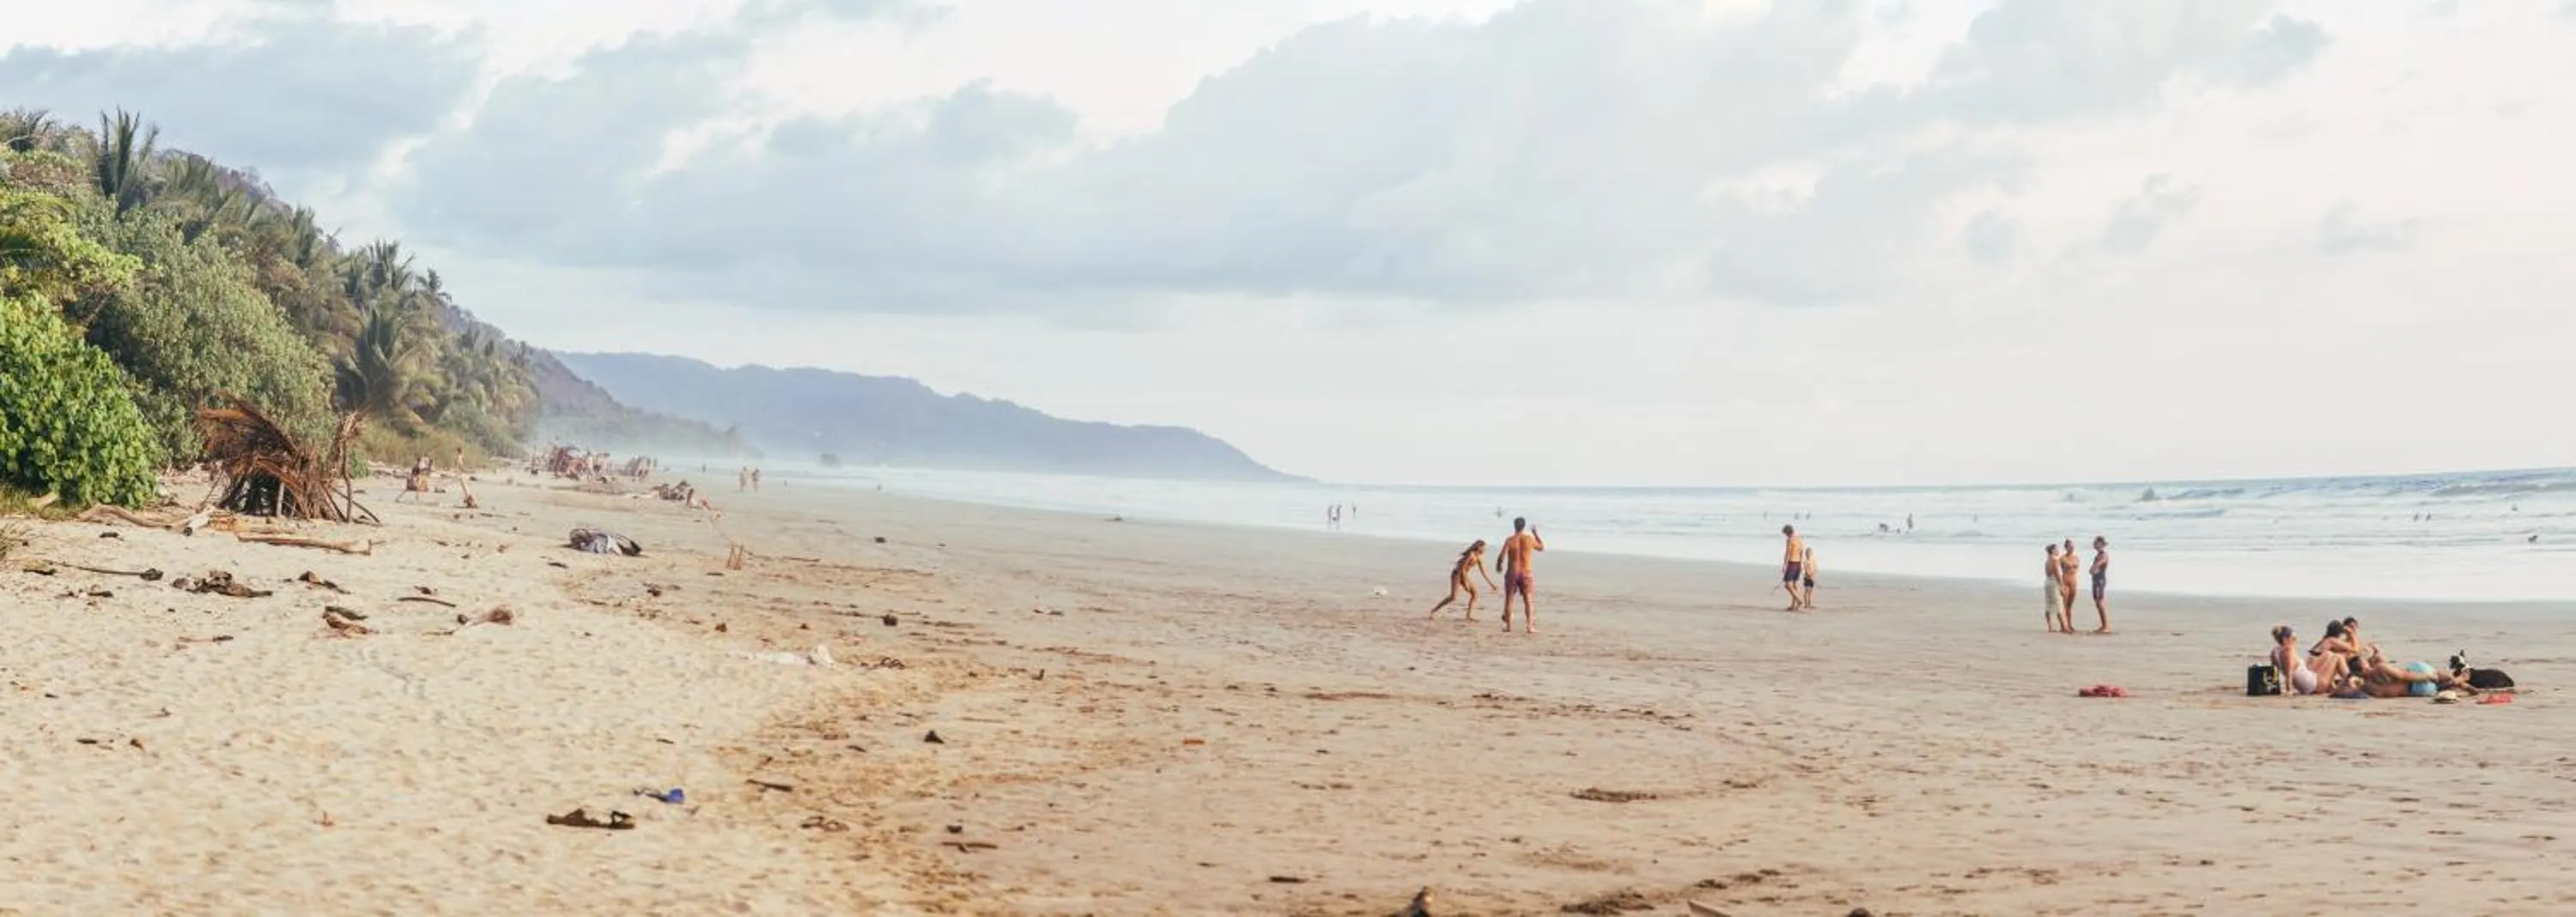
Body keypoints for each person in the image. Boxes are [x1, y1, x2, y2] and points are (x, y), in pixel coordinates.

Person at [1427, 540, 1498, 621]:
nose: (1485, 549)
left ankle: (1468, 616)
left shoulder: (1479, 558)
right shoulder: (1471, 555)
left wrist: (1491, 584)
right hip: (1457, 574)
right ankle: (1433, 611)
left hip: (1464, 575)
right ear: (1479, 547)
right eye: (1484, 548)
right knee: (1453, 597)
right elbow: (1462, 569)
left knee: (1475, 595)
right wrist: (1465, 583)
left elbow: (1483, 572)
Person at [1496, 518, 1545, 634]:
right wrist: (1536, 534)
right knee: (1528, 599)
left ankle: (1508, 626)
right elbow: (1541, 547)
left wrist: (1499, 565)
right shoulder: (1529, 539)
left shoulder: (1510, 540)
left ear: (1514, 526)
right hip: (1526, 572)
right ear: (1524, 526)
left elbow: (1502, 556)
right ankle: (1529, 626)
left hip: (1512, 572)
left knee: (1509, 599)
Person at [2269, 625, 2322, 695]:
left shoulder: (2275, 651)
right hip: (2311, 686)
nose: (2295, 640)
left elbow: (2274, 672)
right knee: (2332, 656)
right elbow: (2289, 673)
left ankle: (2333, 687)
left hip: (2307, 684)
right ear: (2286, 639)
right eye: (2293, 638)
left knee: (2314, 659)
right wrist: (2289, 691)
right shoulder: (2288, 651)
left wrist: (2275, 688)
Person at [2087, 537, 2111, 633]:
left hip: (2100, 580)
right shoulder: (2098, 554)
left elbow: (2101, 562)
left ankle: (2106, 626)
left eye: (2096, 543)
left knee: (2100, 602)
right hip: (2096, 579)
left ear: (2101, 544)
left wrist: (2093, 568)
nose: (2094, 544)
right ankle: (2103, 625)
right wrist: (2093, 569)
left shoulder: (2104, 555)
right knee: (2097, 603)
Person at [2057, 538, 2081, 628]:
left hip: (2074, 581)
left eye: (2073, 546)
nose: (2072, 548)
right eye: (2070, 546)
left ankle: (2070, 624)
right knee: (2064, 605)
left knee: (2070, 606)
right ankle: (2064, 625)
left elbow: (2076, 570)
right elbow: (2057, 572)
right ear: (2066, 547)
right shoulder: (2062, 558)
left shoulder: (2076, 558)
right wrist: (2060, 584)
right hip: (2065, 581)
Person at [1780, 525, 1805, 611]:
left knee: (1788, 585)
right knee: (1794, 584)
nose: (1785, 535)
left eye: (1785, 533)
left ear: (1788, 532)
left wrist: (1784, 565)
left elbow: (1788, 553)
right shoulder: (1799, 538)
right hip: (1798, 563)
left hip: (1792, 563)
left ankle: (1799, 600)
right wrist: (1801, 563)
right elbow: (1802, 551)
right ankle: (1793, 605)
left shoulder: (1789, 540)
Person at [2044, 544, 2068, 632]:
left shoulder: (2047, 561)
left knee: (2048, 604)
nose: (2059, 551)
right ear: (2053, 551)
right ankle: (2064, 627)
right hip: (2054, 583)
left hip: (2048, 582)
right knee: (2059, 604)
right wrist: (2062, 586)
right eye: (2057, 549)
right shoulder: (2055, 561)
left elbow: (2047, 573)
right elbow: (2058, 574)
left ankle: (2050, 627)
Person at [1798, 544, 1818, 610]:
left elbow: (1815, 569)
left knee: (1810, 592)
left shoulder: (1813, 561)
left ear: (1811, 553)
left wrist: (1812, 574)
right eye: (1807, 553)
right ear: (1805, 554)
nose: (1808, 554)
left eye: (1809, 553)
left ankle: (1809, 604)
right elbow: (1805, 569)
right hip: (1807, 578)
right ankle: (1806, 604)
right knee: (1807, 591)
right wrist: (1808, 575)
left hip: (1812, 577)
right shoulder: (1805, 561)